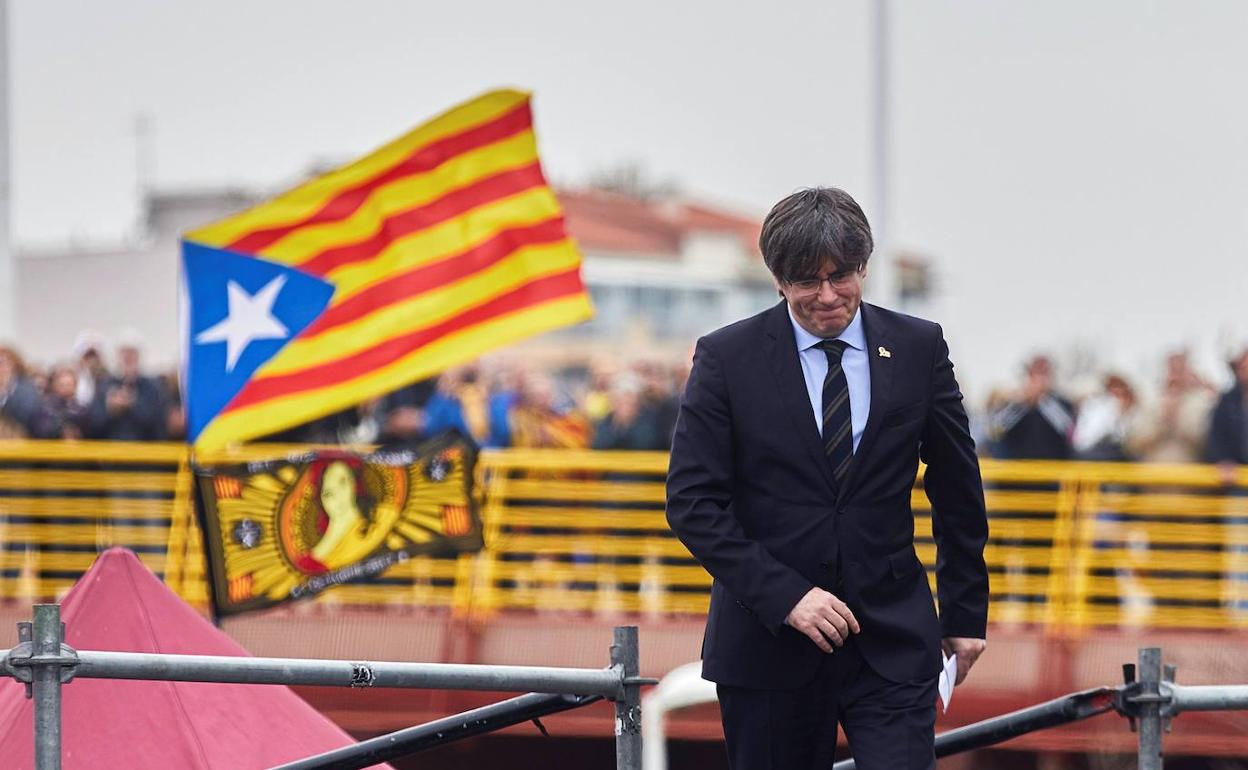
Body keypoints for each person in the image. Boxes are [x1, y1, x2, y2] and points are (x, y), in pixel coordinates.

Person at [666, 187, 988, 769]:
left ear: (864, 265)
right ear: (777, 279)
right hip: (768, 645)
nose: (827, 295)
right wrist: (786, 596)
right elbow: (692, 504)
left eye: (841, 276)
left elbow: (957, 488)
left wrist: (965, 614)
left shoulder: (918, 347)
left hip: (892, 637)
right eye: (805, 281)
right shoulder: (726, 358)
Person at [989, 355, 1076, 459]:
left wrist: (1043, 401)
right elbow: (995, 430)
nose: (1039, 380)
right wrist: (1022, 405)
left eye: (1044, 374)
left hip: (1055, 468)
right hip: (1017, 468)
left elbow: (1069, 431)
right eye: (1035, 374)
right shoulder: (1013, 403)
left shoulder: (1063, 403)